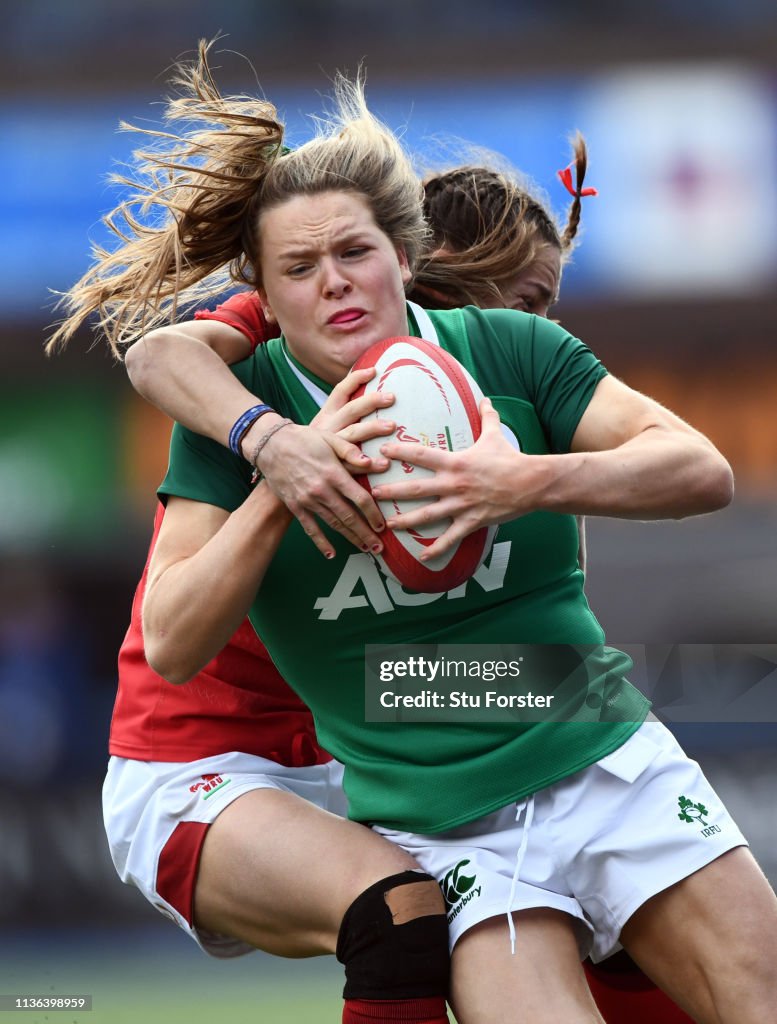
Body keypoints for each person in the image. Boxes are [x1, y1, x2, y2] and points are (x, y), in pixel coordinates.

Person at [49, 44, 777, 1024]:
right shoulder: (266, 371)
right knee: (397, 918)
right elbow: (162, 359)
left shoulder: (512, 367)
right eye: (526, 296)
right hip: (217, 754)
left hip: (378, 742)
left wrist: (523, 490)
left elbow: (669, 499)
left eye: (354, 253)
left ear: (398, 258)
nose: (541, 317)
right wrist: (280, 457)